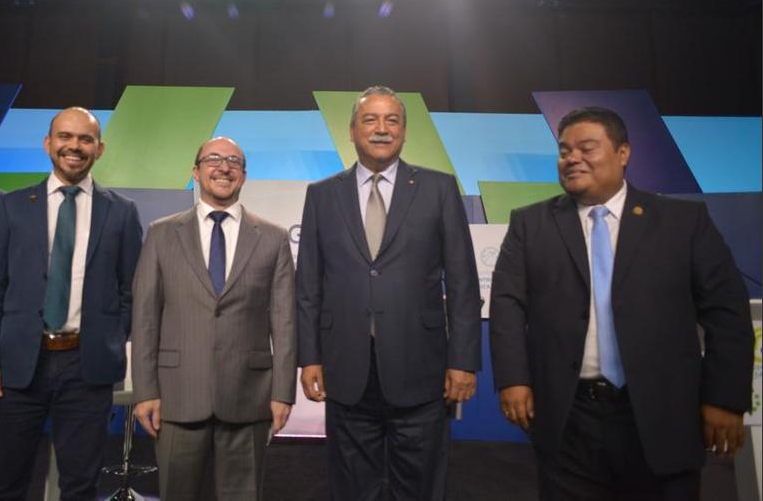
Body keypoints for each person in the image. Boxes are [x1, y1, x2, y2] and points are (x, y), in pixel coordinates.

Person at [490, 106, 754, 500]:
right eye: (564, 151)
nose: (572, 158)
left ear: (623, 153)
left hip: (665, 415)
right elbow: (508, 305)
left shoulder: (683, 221)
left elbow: (728, 312)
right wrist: (514, 379)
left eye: (587, 147)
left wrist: (724, 398)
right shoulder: (530, 224)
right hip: (569, 418)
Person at [296, 86, 482, 499]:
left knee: (419, 487)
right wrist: (308, 357)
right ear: (351, 131)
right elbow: (309, 284)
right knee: (351, 488)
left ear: (404, 131)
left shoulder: (439, 188)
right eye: (370, 120)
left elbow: (465, 282)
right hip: (346, 369)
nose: (382, 129)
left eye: (391, 120)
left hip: (423, 368)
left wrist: (464, 360)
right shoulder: (322, 195)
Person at [0, 107, 143, 501]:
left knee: (80, 485)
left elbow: (131, 289)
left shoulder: (121, 211)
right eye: (65, 136)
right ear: (48, 144)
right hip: (17, 365)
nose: (74, 146)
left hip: (87, 366)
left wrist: (112, 337)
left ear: (99, 149)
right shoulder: (12, 206)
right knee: (5, 482)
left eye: (85, 139)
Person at [132, 136, 296, 500]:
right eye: (214, 159)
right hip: (176, 398)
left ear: (244, 175)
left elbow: (284, 323)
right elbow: (145, 319)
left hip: (249, 397)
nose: (224, 167)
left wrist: (283, 392)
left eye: (234, 162)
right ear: (195, 171)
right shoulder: (161, 234)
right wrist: (145, 391)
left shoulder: (273, 237)